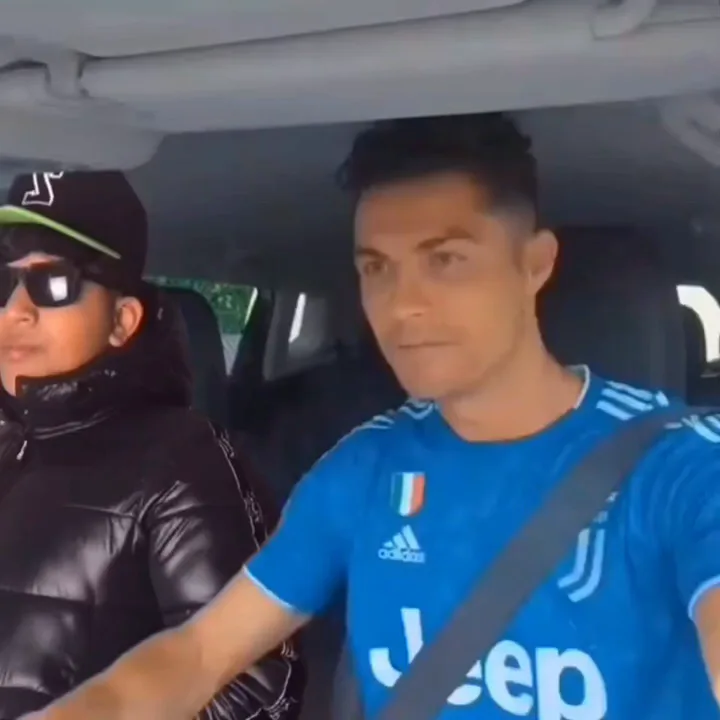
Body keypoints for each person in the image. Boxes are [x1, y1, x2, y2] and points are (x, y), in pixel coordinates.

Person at [22, 114, 720, 720]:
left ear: (534, 265)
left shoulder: (681, 464)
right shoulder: (365, 467)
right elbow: (197, 655)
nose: (402, 304)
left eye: (446, 260)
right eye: (377, 268)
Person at [0, 170, 304, 720]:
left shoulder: (182, 464)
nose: (16, 310)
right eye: (5, 284)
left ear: (122, 321)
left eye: (53, 284)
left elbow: (254, 691)